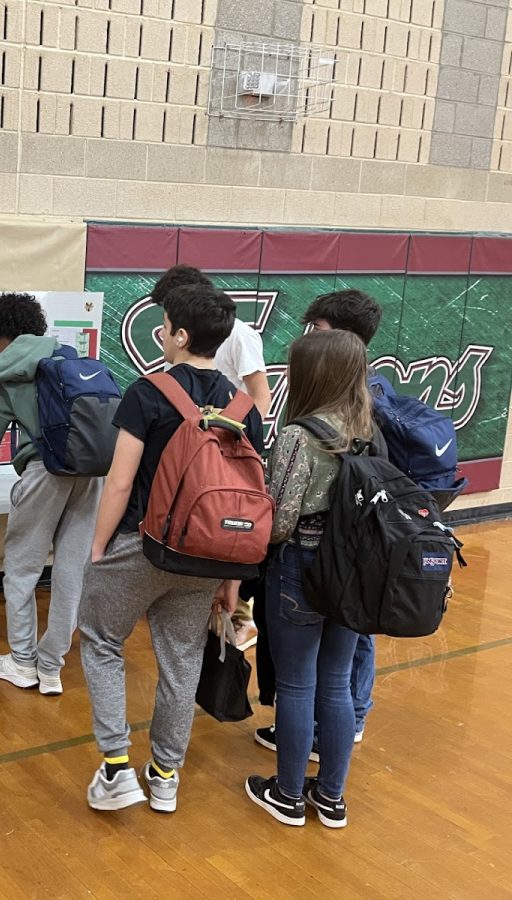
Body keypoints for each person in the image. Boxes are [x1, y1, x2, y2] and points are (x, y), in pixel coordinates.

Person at [81, 284, 263, 814]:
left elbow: (119, 482)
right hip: (209, 554)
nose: (160, 333)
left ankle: (116, 767)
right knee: (181, 661)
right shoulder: (243, 407)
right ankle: (164, 777)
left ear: (181, 336)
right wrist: (232, 578)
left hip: (141, 544)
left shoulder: (147, 393)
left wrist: (97, 547)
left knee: (99, 638)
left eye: (163, 326)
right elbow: (248, 497)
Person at [246, 329, 375, 829]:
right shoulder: (368, 427)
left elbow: (277, 522)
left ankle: (287, 795)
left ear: (310, 375)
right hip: (353, 574)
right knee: (337, 683)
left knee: (297, 686)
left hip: (300, 570)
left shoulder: (301, 435)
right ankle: (332, 798)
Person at [0, 293, 102, 696]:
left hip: (44, 473)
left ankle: (21, 663)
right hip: (92, 473)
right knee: (72, 574)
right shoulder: (67, 355)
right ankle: (51, 667)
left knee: (22, 569)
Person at [150, 265, 271, 650]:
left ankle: (240, 620)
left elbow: (260, 396)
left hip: (228, 450)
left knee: (228, 529)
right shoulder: (186, 347)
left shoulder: (239, 337)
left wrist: (243, 445)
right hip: (193, 451)